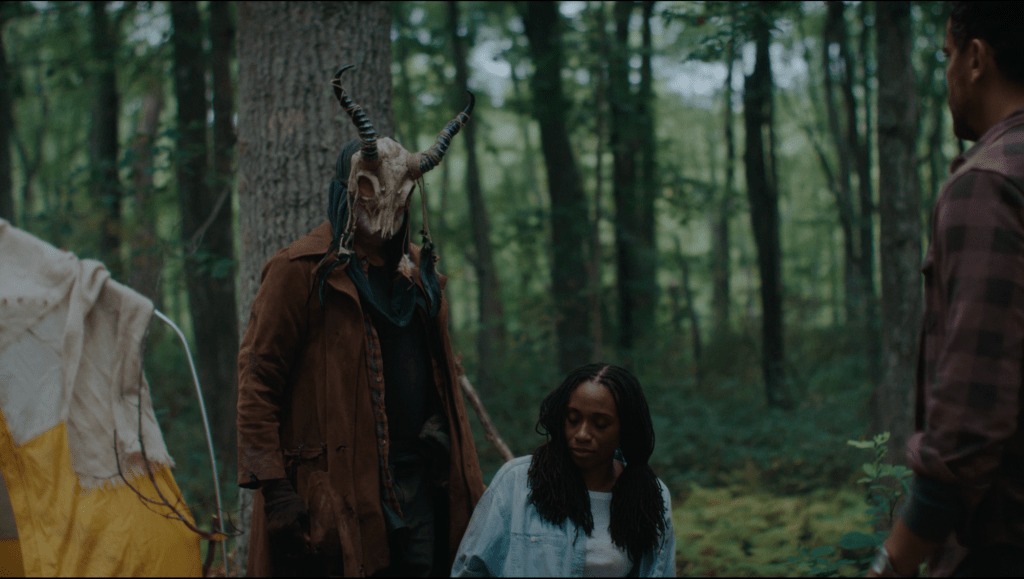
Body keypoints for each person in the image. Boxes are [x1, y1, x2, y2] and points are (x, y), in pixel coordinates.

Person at [236, 65, 485, 577]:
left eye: (401, 188)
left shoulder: (419, 277)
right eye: (370, 187)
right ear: (346, 189)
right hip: (335, 488)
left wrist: (446, 447)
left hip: (416, 482)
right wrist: (275, 487)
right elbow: (258, 380)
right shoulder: (299, 271)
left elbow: (439, 375)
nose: (385, 201)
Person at [868, 3, 1024, 577]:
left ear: (976, 59)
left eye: (947, 55)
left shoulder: (987, 184)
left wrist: (895, 561)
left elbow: (969, 421)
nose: (947, 73)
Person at [451, 363, 676, 577]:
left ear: (625, 430)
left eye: (600, 424)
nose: (582, 434)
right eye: (573, 420)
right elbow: (469, 570)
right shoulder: (517, 482)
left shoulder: (650, 497)